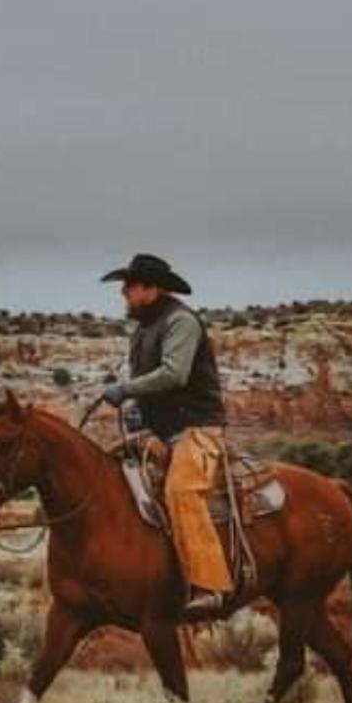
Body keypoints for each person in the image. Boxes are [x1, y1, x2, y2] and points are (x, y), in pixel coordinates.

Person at [100, 253, 233, 614]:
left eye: (129, 286)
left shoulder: (181, 322)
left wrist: (125, 390)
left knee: (181, 491)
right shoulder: (142, 331)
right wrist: (136, 417)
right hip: (159, 430)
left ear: (151, 289)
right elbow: (148, 387)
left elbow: (174, 374)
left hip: (197, 429)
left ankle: (209, 585)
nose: (124, 293)